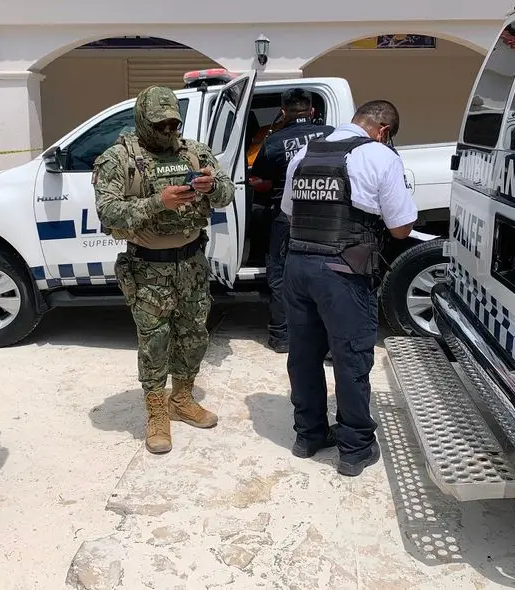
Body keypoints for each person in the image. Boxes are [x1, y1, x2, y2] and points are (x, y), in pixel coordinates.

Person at [93, 86, 235, 455]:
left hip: (192, 263)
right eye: (161, 125)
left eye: (174, 123)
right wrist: (160, 201)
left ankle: (182, 398)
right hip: (148, 269)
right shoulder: (117, 159)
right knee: (154, 341)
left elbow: (227, 192)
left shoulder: (194, 152)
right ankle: (157, 411)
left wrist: (210, 185)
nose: (169, 131)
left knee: (194, 336)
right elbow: (108, 213)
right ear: (142, 120)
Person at [280, 100, 416, 477]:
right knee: (351, 357)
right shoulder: (379, 156)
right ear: (383, 130)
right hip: (342, 271)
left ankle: (307, 436)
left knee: (304, 356)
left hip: (298, 266)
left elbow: (290, 211)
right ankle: (355, 448)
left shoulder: (305, 153)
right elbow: (401, 228)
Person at [249, 89, 334, 353]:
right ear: (311, 111)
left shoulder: (274, 143)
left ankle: (282, 337)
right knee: (329, 274)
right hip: (329, 216)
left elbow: (260, 178)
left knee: (279, 275)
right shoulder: (331, 134)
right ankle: (329, 341)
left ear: (283, 112)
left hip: (287, 216)